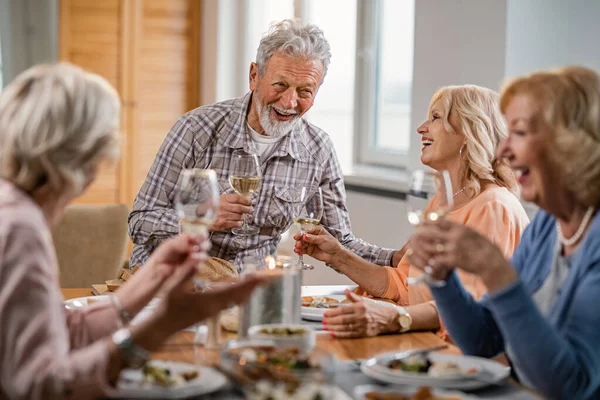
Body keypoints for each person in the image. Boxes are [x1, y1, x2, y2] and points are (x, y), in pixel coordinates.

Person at [0, 63, 263, 399]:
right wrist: (162, 325)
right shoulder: (20, 230)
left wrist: (150, 276)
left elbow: (60, 331)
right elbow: (45, 387)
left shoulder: (14, 209)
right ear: (87, 156)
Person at [128, 19, 401, 269]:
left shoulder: (318, 150)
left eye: (305, 91)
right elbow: (139, 222)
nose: (289, 102)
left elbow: (339, 242)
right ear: (254, 76)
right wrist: (201, 218)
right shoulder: (196, 129)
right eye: (280, 85)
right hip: (169, 281)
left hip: (249, 293)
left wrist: (392, 258)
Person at [406, 66, 600, 399]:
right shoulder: (546, 226)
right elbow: (486, 341)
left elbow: (571, 385)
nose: (502, 151)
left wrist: (497, 273)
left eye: (520, 133)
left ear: (571, 143)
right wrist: (442, 278)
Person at [294, 85, 529, 339]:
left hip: (458, 355)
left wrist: (394, 319)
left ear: (468, 132)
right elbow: (403, 285)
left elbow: (471, 311)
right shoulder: (443, 202)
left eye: (436, 117)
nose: (421, 128)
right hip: (420, 337)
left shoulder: (493, 207)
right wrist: (337, 255)